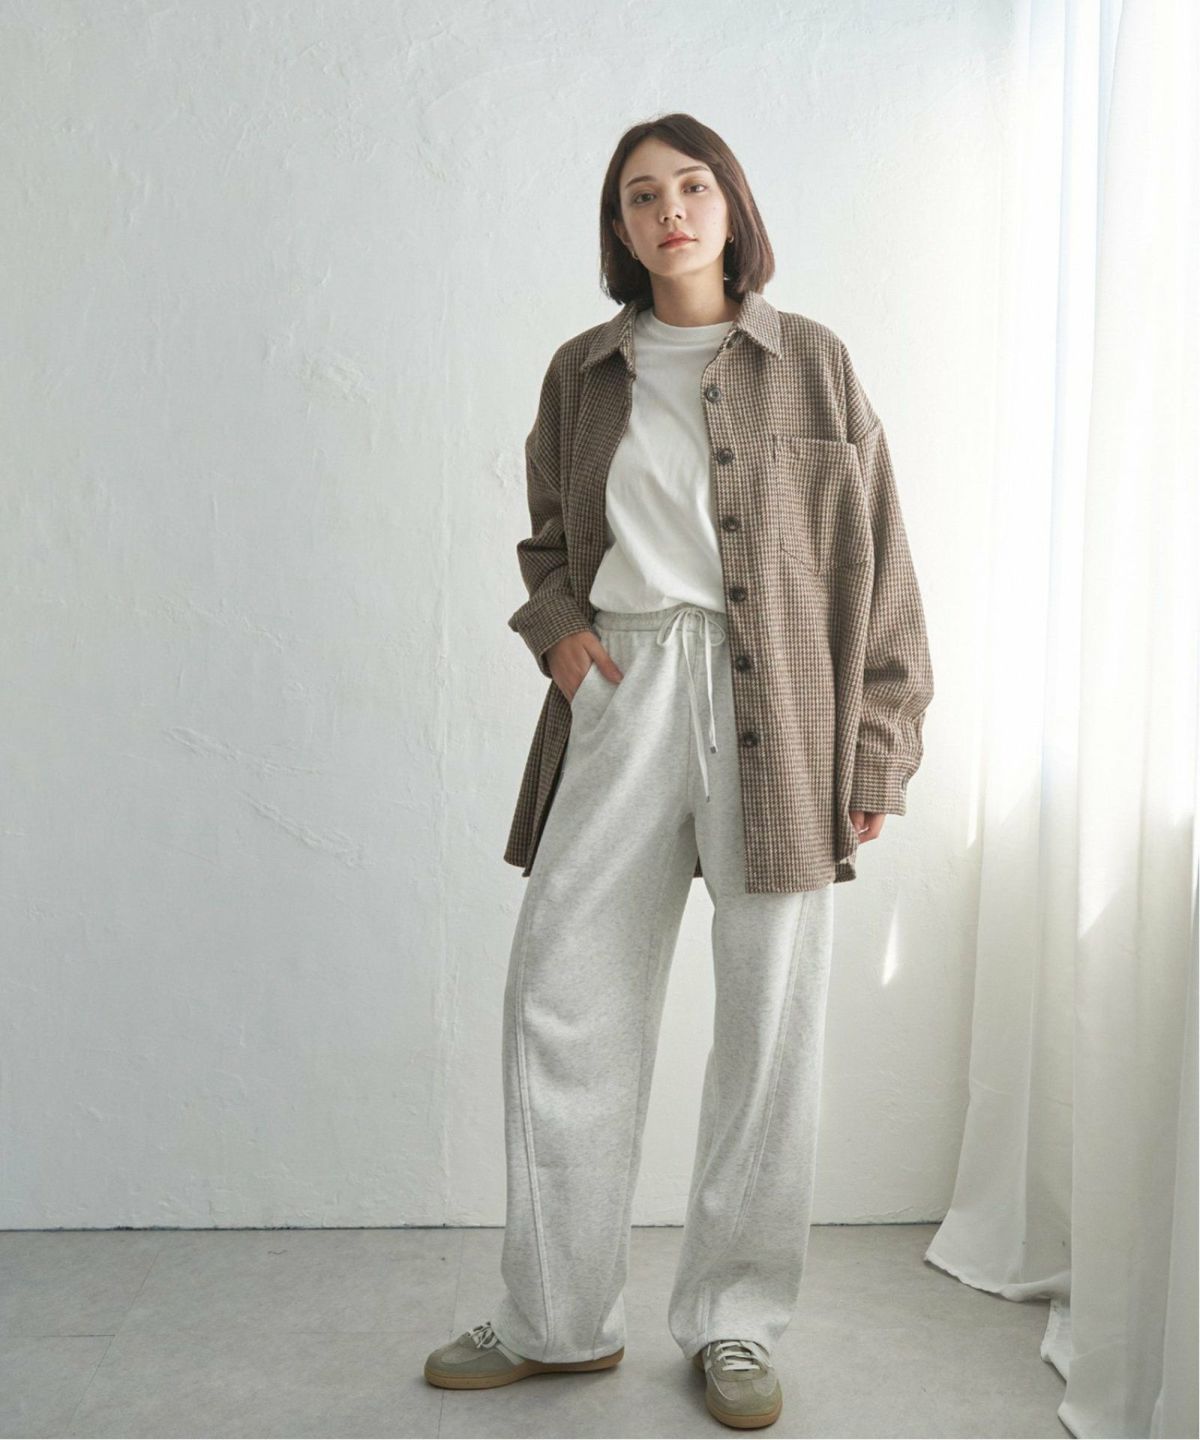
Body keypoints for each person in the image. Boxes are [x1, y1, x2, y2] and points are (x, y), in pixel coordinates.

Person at [424, 112, 934, 1431]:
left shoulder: (814, 363)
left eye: (692, 186)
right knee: (562, 996)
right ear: (620, 227)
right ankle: (554, 1319)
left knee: (769, 1028)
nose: (670, 212)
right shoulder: (583, 373)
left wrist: (878, 745)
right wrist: (565, 640)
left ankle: (735, 1322)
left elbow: (880, 566)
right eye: (642, 195)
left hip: (786, 710)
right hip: (627, 685)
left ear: (731, 203)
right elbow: (548, 540)